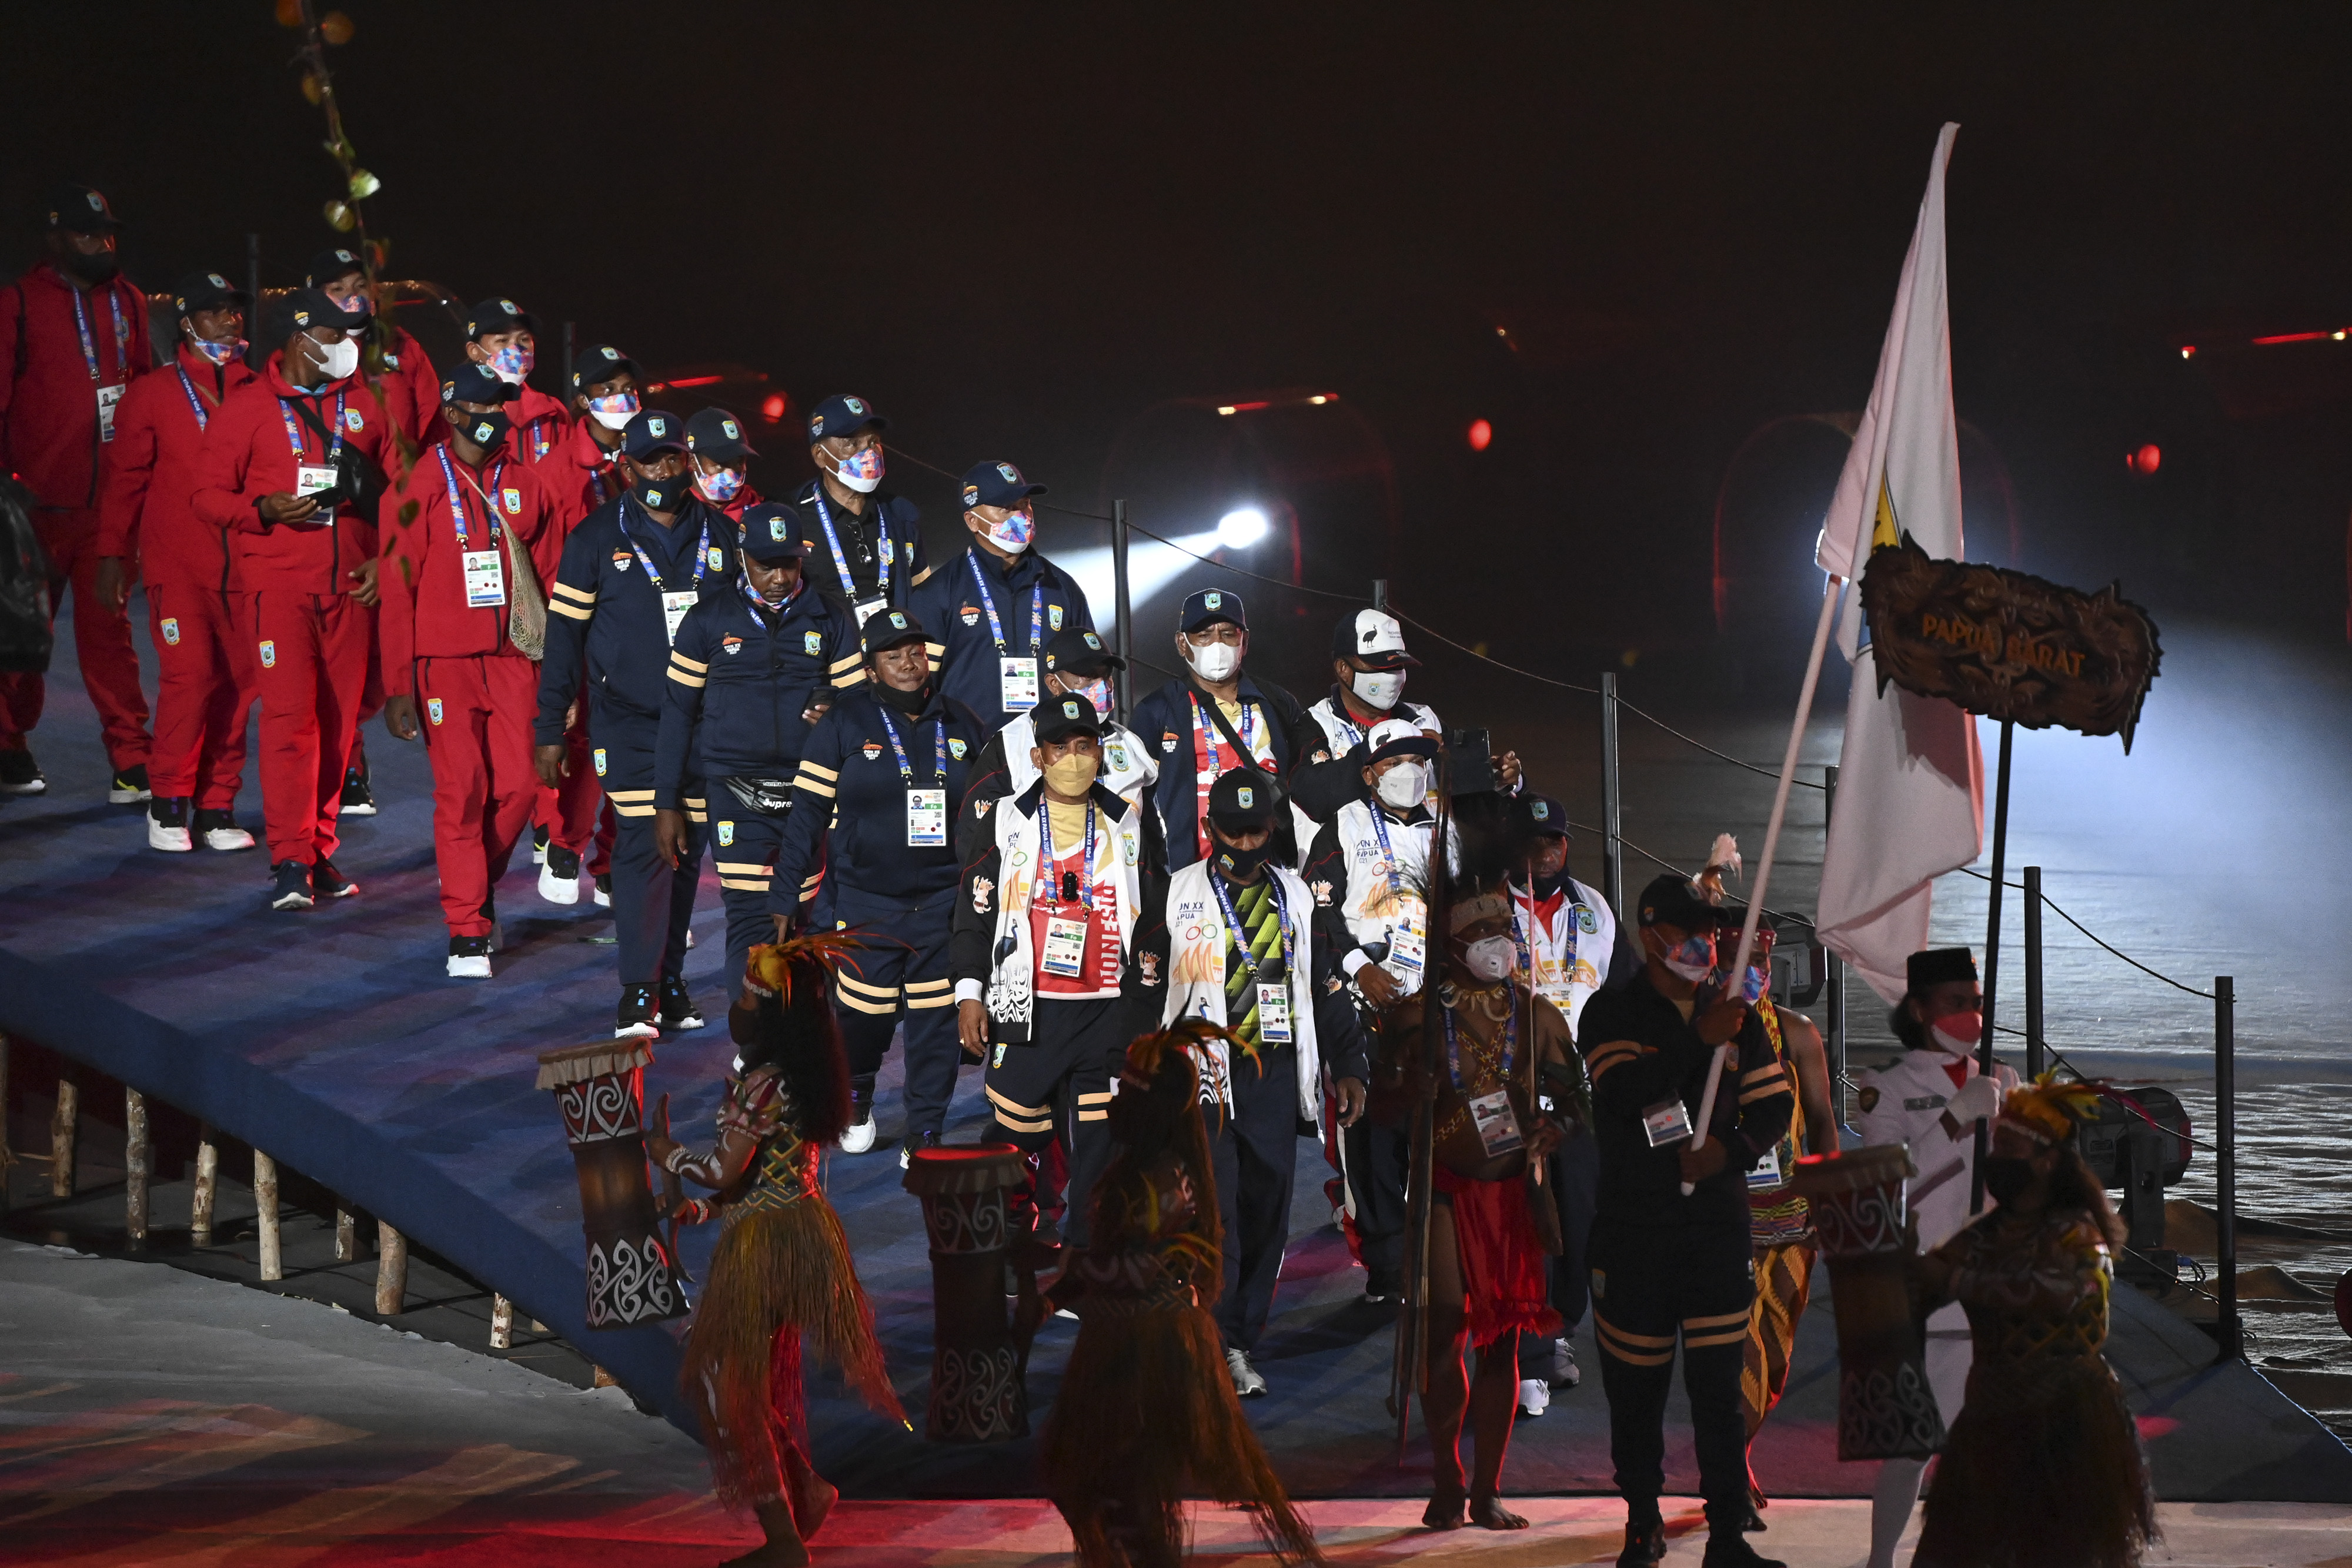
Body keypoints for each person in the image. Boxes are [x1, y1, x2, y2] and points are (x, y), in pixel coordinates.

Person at [648, 937, 903, 1568]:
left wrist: (668, 1156)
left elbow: (722, 1168)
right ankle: (806, 1493)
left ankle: (784, 1540)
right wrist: (699, 1211)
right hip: (796, 1235)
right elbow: (758, 1180)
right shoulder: (804, 1077)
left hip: (765, 1248)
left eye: (746, 1001)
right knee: (739, 1381)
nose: (738, 1012)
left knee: (724, 1382)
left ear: (769, 1015)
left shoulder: (764, 1085)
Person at [1031, 1021, 1324, 1568]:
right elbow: (1112, 1261)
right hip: (1134, 1342)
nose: (1113, 1103)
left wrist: (1052, 1274)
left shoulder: (1157, 1183)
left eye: (1125, 1091)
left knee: (1120, 1486)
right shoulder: (1148, 1169)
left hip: (1145, 1355)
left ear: (1151, 1107)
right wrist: (1053, 1291)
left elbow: (1125, 1267)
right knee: (1101, 1481)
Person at [1574, 871, 1795, 1568]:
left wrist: (1731, 1151)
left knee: (1718, 1394)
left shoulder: (1735, 1014)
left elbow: (1773, 1105)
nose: (1704, 944)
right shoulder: (1611, 1011)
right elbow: (1623, 1090)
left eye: (1710, 932)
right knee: (1635, 1393)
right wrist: (1699, 1039)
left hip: (1715, 1232)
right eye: (1690, 932)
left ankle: (1726, 1534)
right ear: (1650, 935)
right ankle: (1642, 1521)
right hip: (1634, 1232)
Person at [1144, 767, 1368, 1397]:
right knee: (1215, 1211)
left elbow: (1326, 984)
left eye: (1257, 832)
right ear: (1209, 828)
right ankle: (1211, 1337)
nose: (1245, 844)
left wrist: (1350, 1064)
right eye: (1233, 832)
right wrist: (1135, 1073)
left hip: (1273, 1072)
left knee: (1266, 1209)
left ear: (1273, 829)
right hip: (1204, 1074)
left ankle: (1240, 1340)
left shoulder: (1296, 896)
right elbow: (1144, 990)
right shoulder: (1175, 892)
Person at [1369, 884, 1575, 1531]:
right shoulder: (1415, 1018)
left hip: (1512, 1191)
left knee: (1501, 1344)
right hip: (1443, 1188)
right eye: (1483, 932)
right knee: (1442, 1333)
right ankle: (1447, 1479)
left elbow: (1577, 1100)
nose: (1499, 943)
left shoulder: (1538, 1016)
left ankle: (1487, 1489)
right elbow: (1378, 1109)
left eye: (1504, 929)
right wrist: (1409, 1088)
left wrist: (1556, 1126)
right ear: (1451, 944)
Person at [190, 287, 396, 911]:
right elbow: (205, 496)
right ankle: (288, 858)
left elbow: (403, 497)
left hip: (351, 590)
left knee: (338, 729)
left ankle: (318, 850)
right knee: (289, 724)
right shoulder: (248, 407)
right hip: (279, 592)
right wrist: (262, 510)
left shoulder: (367, 405)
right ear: (301, 339)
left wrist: (386, 560)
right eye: (336, 335)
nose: (348, 346)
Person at [535, 407, 737, 1038]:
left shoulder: (724, 536)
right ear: (626, 469)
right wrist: (549, 726)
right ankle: (638, 989)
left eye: (673, 458)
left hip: (705, 722)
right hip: (629, 721)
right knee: (645, 845)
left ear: (689, 462)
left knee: (686, 851)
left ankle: (670, 980)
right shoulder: (594, 539)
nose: (663, 471)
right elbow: (564, 640)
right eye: (650, 462)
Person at [1909, 1075, 2154, 1568]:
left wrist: (1955, 1279)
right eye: (1996, 1144)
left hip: (2066, 1421)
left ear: (2046, 1161)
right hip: (1991, 1415)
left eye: (2009, 1147)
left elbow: (2060, 1293)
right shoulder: (1986, 1234)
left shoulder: (2079, 1235)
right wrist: (1893, 1267)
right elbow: (1925, 1284)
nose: (1996, 1156)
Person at [769, 609, 987, 1160]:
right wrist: (786, 896)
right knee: (863, 1021)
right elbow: (805, 817)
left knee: (935, 1025)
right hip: (868, 903)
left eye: (916, 652)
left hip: (943, 903)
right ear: (871, 670)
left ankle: (926, 1129)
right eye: (894, 657)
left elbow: (991, 816)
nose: (909, 664)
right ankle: (857, 1093)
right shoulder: (844, 724)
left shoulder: (962, 722)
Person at [954, 693, 1161, 1246]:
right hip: (1029, 1009)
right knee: (1012, 1140)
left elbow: (1153, 918)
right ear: (1039, 756)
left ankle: (1086, 1260)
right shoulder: (1004, 820)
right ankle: (1008, 1249)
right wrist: (969, 994)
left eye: (1084, 745)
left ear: (1101, 752)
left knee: (1101, 1148)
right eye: (1059, 747)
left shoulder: (1129, 822)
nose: (1073, 757)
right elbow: (973, 912)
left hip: (1106, 1011)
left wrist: (1144, 1006)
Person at [376, 363, 559, 977]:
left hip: (514, 660)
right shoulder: (415, 485)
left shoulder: (527, 484)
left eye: (501, 406)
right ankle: (467, 929)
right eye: (483, 407)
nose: (496, 417)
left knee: (522, 787)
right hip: (443, 666)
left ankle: (474, 887)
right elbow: (397, 590)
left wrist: (559, 674)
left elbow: (552, 581)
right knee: (462, 792)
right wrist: (398, 682)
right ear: (453, 414)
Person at [656, 502, 860, 1006]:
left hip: (809, 790)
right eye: (766, 565)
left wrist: (836, 708)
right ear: (742, 558)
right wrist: (666, 801)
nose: (779, 577)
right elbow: (678, 712)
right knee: (750, 919)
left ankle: (798, 1039)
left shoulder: (830, 617)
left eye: (788, 564)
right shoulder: (707, 619)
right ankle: (752, 1044)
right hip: (733, 789)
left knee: (801, 920)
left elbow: (861, 708)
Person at [1853, 947, 2019, 1568]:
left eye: (1976, 1003)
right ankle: (1881, 1559)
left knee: (1993, 1442)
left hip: (1995, 1281)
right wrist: (1954, 1119)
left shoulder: (2002, 1077)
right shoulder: (1886, 1086)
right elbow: (1886, 1183)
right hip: (1925, 1280)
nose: (1970, 1015)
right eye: (1955, 1003)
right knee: (1912, 1445)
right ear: (1920, 1009)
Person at [94, 270, 258, 852]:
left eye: (234, 311)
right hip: (179, 569)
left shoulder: (260, 391)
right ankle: (168, 801)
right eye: (216, 312)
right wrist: (111, 553)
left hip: (247, 570)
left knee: (240, 685)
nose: (230, 321)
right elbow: (125, 482)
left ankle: (216, 806)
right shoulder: (154, 392)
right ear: (187, 323)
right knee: (190, 679)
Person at [0, 182, 154, 800]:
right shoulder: (17, 302)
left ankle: (131, 757)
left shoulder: (131, 301)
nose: (101, 245)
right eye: (87, 234)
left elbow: (144, 393)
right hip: (31, 508)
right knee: (20, 635)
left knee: (110, 635)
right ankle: (9, 744)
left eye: (107, 234)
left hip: (108, 508)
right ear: (56, 237)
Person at [1301, 717, 1454, 1300]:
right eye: (1394, 763)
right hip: (1369, 1009)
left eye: (1418, 761)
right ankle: (1387, 1267)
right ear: (1369, 774)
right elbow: (1316, 913)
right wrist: (1357, 967)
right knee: (1372, 1144)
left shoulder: (1449, 831)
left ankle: (1439, 1253)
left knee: (1437, 1135)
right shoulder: (1342, 826)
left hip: (1437, 1010)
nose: (1408, 772)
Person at [1502, 793, 1639, 1417]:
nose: (1545, 852)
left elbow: (1624, 994)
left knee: (1579, 1218)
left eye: (1554, 841)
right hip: (1508, 1095)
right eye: (1532, 842)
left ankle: (1558, 1329)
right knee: (1525, 1218)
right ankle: (1525, 1346)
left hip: (1578, 1096)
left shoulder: (1595, 909)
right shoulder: (1486, 909)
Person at [533, 342, 644, 904]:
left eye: (628, 388)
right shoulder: (555, 472)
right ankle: (566, 841)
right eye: (608, 390)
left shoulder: (646, 458)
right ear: (582, 401)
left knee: (638, 744)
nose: (622, 398)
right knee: (585, 742)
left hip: (640, 627)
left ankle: (609, 860)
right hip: (583, 627)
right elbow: (542, 563)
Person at [1736, 924, 1838, 1530]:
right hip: (1730, 1223)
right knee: (1738, 1352)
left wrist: (1827, 1198)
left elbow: (1823, 1119)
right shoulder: (1701, 1034)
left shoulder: (1795, 1032)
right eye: (1741, 958)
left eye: (1762, 958)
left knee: (1774, 1358)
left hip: (1793, 1220)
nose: (1756, 968)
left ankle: (1736, 1452)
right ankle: (1731, 1470)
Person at [1128, 589, 1327, 872]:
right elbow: (1138, 800)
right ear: (1182, 643)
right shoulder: (1157, 710)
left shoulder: (1276, 702)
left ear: (1244, 641)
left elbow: (1306, 778)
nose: (1217, 644)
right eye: (1204, 635)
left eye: (1228, 634)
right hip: (1191, 873)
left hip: (1270, 870)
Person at [908, 459, 1091, 732]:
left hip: (1049, 744)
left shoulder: (1062, 588)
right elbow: (919, 686)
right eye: (1006, 508)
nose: (1021, 516)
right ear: (972, 521)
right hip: (970, 746)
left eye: (1024, 504)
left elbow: (1090, 673)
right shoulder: (939, 592)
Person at [967, 626, 1155, 804]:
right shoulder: (1012, 742)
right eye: (1088, 676)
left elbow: (1150, 821)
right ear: (1053, 684)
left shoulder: (1129, 743)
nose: (1102, 686)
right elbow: (978, 821)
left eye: (1106, 675)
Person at [789, 392, 926, 625]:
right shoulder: (794, 517)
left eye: (873, 443)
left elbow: (924, 594)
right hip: (827, 646)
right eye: (852, 444)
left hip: (894, 644)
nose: (869, 454)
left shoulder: (900, 514)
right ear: (820, 456)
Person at [306, 246, 438, 449]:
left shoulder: (403, 346)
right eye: (338, 289)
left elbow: (433, 421)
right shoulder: (303, 353)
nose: (352, 295)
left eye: (361, 285)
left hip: (400, 468)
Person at [461, 297, 569, 469]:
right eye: (502, 341)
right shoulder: (457, 411)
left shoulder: (553, 413)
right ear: (474, 351)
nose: (516, 349)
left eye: (524, 339)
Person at [687, 405, 764, 530]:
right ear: (693, 461)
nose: (731, 473)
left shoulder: (760, 511)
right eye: (721, 464)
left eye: (738, 463)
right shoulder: (676, 513)